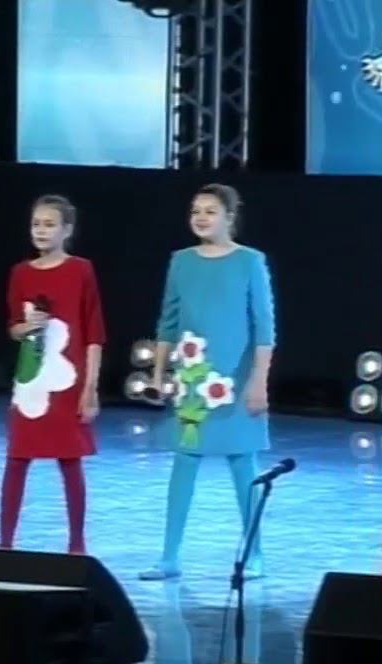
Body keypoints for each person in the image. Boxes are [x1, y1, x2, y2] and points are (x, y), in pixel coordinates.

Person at [139, 184, 275, 581]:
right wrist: (159, 374)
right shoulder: (181, 262)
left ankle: (255, 555)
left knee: (242, 463)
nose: (200, 217)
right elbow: (168, 322)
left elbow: (265, 328)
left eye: (210, 211)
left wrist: (259, 382)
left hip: (235, 378)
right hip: (192, 378)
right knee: (184, 461)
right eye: (196, 210)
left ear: (229, 217)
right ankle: (169, 557)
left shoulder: (250, 262)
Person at [0, 195, 106, 554]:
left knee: (69, 458)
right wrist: (28, 326)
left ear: (67, 229)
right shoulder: (21, 272)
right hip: (32, 379)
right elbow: (13, 327)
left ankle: (76, 544)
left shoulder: (81, 270)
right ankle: (5, 544)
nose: (41, 231)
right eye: (36, 224)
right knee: (17, 457)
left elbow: (94, 333)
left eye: (49, 224)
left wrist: (90, 387)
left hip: (68, 378)